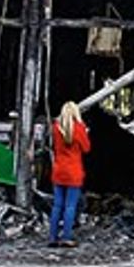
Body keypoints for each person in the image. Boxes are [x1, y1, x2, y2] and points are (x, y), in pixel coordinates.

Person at [49, 101, 91, 247]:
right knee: (70, 206)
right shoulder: (79, 128)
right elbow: (86, 148)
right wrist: (85, 133)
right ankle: (67, 237)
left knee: (57, 205)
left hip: (59, 170)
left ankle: (52, 237)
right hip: (73, 171)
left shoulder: (56, 127)